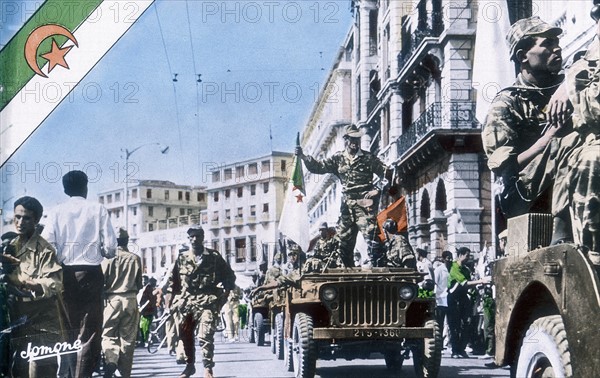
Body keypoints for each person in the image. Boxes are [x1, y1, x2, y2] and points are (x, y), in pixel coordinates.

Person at [482, 16, 574, 241]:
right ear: (523, 55)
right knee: (567, 143)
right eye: (547, 44)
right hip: (525, 195)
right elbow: (504, 167)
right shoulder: (506, 102)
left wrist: (569, 83)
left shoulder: (569, 83)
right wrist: (549, 138)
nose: (557, 48)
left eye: (556, 42)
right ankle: (560, 235)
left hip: (562, 178)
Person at [42, 170, 117, 378]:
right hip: (92, 274)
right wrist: (96, 251)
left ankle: (66, 374)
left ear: (65, 189)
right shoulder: (98, 209)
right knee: (90, 332)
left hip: (65, 274)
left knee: (67, 330)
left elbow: (48, 246)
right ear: (85, 187)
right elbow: (111, 248)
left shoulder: (56, 211)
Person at [296, 124, 391, 267]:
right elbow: (318, 167)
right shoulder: (338, 158)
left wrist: (376, 190)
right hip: (346, 207)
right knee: (344, 244)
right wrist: (303, 157)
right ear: (345, 140)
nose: (355, 143)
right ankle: (349, 275)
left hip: (364, 206)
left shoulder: (369, 158)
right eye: (352, 139)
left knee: (373, 240)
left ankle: (383, 275)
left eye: (357, 139)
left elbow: (389, 174)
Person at [5, 196, 67, 378]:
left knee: (40, 369)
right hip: (18, 316)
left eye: (26, 218)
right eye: (17, 217)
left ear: (37, 220)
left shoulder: (45, 250)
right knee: (19, 369)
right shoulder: (10, 247)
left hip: (42, 319)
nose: (20, 222)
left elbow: (54, 283)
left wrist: (31, 284)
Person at [558, 1, 600, 252]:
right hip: (594, 140)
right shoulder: (584, 64)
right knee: (594, 159)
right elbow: (592, 110)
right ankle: (594, 253)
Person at [168, 225, 236, 378]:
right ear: (188, 238)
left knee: (205, 335)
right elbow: (174, 283)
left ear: (203, 238)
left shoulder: (213, 257)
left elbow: (229, 276)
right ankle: (190, 366)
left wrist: (224, 295)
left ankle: (208, 368)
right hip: (187, 303)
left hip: (207, 302)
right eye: (191, 236)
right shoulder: (182, 258)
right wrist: (172, 301)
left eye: (198, 236)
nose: (195, 239)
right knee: (186, 335)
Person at [101, 228, 142, 378]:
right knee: (128, 339)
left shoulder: (107, 259)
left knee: (108, 335)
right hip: (130, 299)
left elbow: (102, 282)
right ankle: (124, 374)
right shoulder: (135, 258)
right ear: (127, 240)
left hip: (112, 300)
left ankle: (111, 360)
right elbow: (139, 283)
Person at [447, 247, 491, 359]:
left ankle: (461, 349)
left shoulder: (466, 269)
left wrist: (478, 288)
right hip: (454, 300)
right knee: (455, 326)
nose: (468, 258)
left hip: (464, 300)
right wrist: (480, 281)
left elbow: (470, 285)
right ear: (460, 255)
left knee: (467, 324)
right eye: (466, 255)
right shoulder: (454, 267)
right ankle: (455, 350)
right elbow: (465, 283)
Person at [434, 250, 453, 349]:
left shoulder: (452, 269)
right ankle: (439, 345)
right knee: (440, 323)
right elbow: (435, 284)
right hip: (440, 299)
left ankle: (450, 343)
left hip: (450, 299)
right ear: (443, 259)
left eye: (451, 258)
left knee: (450, 323)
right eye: (448, 258)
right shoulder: (439, 270)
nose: (450, 260)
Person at [139, 277, 158, 347]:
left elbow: (149, 299)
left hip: (146, 310)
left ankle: (146, 341)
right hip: (143, 309)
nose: (143, 282)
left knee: (145, 326)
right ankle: (144, 340)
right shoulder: (143, 288)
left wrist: (142, 307)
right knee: (142, 326)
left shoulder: (148, 288)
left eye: (144, 280)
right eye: (142, 280)